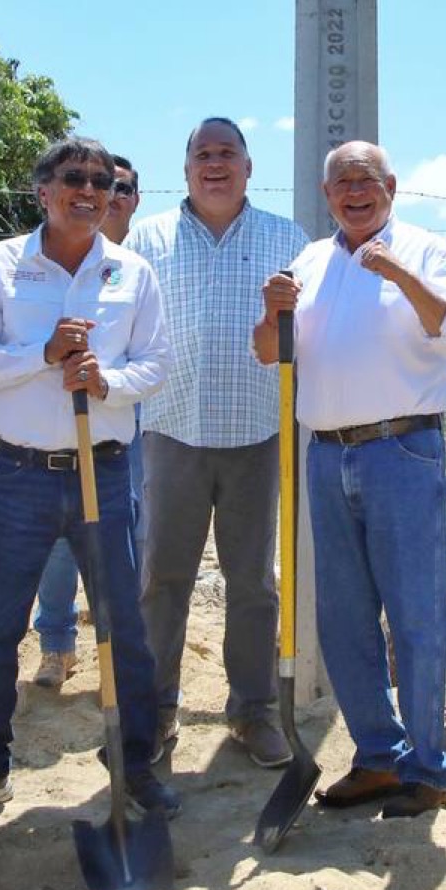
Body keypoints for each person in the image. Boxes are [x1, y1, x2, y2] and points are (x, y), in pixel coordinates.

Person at [0, 138, 177, 828]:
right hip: (22, 474)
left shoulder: (131, 272)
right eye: (74, 178)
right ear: (42, 189)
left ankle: (132, 765)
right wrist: (41, 356)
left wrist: (105, 380)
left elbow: (155, 364)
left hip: (104, 469)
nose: (90, 190)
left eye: (103, 181)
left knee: (122, 629)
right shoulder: (2, 266)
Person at [258, 141, 446, 818]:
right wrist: (272, 311)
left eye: (367, 181)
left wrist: (400, 275)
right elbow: (270, 353)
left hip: (400, 451)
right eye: (342, 183)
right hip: (325, 453)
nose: (355, 192)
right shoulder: (310, 262)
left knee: (414, 614)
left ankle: (428, 766)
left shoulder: (424, 250)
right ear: (327, 196)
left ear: (392, 185)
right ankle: (377, 757)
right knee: (345, 618)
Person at [130, 119, 307, 767]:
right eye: (202, 154)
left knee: (253, 583)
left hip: (257, 435)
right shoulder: (147, 241)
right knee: (162, 579)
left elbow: (302, 337)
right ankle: (154, 713)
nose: (214, 164)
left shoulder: (286, 240)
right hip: (171, 432)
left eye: (226, 153)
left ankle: (253, 712)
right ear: (184, 169)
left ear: (249, 167)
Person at [32, 154, 144, 688]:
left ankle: (115, 646)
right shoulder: (44, 256)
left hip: (127, 419)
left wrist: (112, 383)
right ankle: (56, 642)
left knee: (121, 534)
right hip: (57, 424)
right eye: (95, 183)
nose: (106, 194)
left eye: (117, 186)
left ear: (133, 199)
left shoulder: (141, 260)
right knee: (58, 537)